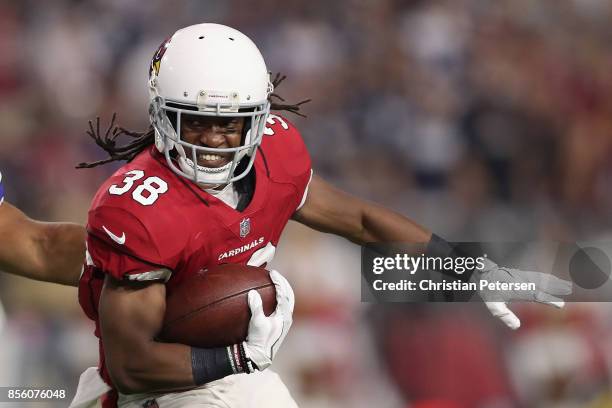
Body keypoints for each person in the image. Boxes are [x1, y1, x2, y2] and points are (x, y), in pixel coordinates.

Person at [0, 23, 570, 408]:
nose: (217, 141)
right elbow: (130, 367)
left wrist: (467, 273)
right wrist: (237, 353)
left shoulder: (277, 153)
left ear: (260, 117)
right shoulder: (141, 210)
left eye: (232, 122)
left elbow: (363, 222)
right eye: (197, 122)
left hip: (230, 382)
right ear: (161, 116)